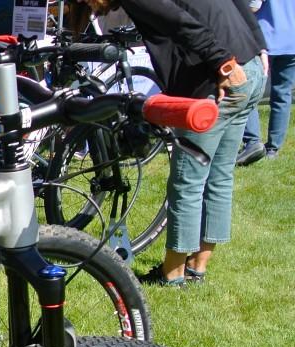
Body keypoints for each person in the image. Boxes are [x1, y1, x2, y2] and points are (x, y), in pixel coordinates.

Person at [80, 0, 268, 287]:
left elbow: (179, 22)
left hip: (219, 77)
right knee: (219, 175)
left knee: (187, 180)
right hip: (248, 64)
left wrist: (222, 62)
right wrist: (258, 46)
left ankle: (173, 275)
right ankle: (197, 267)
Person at [238, 0, 295, 165]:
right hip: (291, 40)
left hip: (263, 39)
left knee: (248, 91)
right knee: (282, 95)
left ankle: (252, 141)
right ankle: (273, 148)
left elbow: (253, 6)